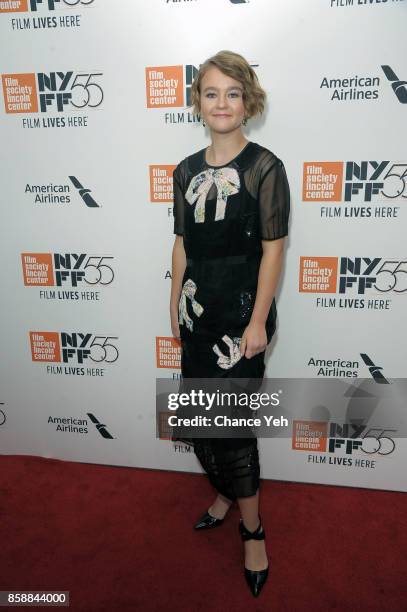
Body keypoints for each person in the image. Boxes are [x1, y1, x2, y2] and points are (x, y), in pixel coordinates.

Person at [169, 50, 290, 598]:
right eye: (211, 92)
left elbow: (273, 250)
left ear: (249, 102)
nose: (222, 103)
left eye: (233, 93)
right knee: (198, 422)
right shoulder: (185, 171)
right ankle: (221, 494)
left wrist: (259, 321)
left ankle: (253, 530)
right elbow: (181, 245)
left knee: (235, 430)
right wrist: (174, 306)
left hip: (242, 320)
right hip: (198, 312)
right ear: (198, 102)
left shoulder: (266, 168)